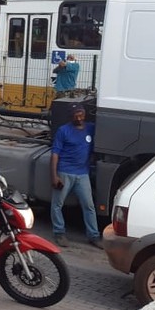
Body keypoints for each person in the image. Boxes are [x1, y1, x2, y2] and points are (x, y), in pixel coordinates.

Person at [50, 103, 101, 249]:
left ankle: (94, 236)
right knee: (57, 204)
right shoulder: (63, 130)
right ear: (71, 116)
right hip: (64, 172)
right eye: (76, 115)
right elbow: (55, 154)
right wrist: (54, 176)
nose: (79, 117)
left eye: (81, 114)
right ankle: (59, 233)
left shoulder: (90, 128)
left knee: (89, 206)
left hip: (82, 174)